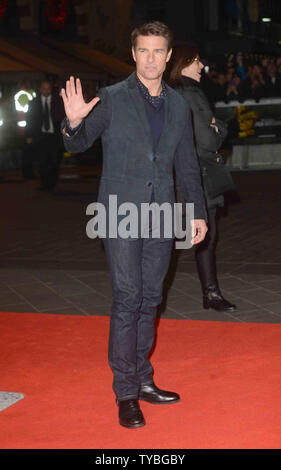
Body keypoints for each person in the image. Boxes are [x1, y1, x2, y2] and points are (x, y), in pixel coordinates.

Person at [61, 21, 208, 428]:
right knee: (127, 297)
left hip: (161, 213)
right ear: (133, 54)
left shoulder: (179, 105)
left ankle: (143, 378)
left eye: (158, 51)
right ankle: (125, 390)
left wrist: (196, 211)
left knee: (149, 298)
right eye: (143, 50)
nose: (150, 58)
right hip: (120, 213)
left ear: (167, 56)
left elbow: (187, 165)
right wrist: (73, 122)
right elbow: (77, 143)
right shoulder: (111, 98)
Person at [168, 42, 237, 314]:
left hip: (172, 176)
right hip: (198, 175)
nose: (201, 66)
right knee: (205, 237)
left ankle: (149, 298)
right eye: (196, 61)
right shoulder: (191, 93)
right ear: (183, 63)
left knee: (168, 239)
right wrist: (220, 127)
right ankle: (211, 293)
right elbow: (208, 141)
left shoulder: (169, 92)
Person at [25, 79, 64, 191]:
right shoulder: (33, 102)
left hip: (54, 136)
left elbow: (63, 118)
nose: (46, 91)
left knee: (54, 161)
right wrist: (28, 135)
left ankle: (52, 183)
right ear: (40, 89)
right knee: (42, 162)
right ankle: (44, 184)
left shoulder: (58, 101)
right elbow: (30, 119)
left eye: (48, 88)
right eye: (44, 88)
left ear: (51, 89)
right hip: (40, 136)